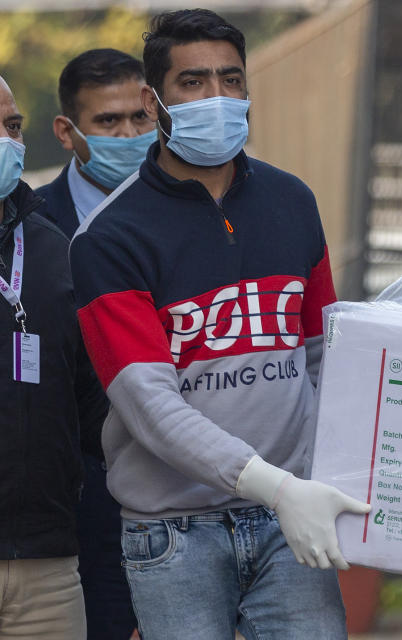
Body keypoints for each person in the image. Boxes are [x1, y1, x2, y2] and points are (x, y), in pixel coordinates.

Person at [68, 10, 369, 639]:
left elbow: (324, 356)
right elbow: (150, 407)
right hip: (175, 534)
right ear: (155, 101)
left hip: (291, 525)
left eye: (231, 80)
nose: (218, 98)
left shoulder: (293, 203)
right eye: (194, 82)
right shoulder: (110, 239)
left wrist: (314, 483)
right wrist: (279, 487)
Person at [36, 48, 152, 640]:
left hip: (181, 487)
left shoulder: (191, 214)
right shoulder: (32, 227)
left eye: (141, 118)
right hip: (73, 503)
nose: (129, 135)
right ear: (68, 130)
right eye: (108, 122)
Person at [0, 75, 108, 639]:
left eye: (12, 126)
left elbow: (93, 410)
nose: (7, 141)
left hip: (48, 568)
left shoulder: (52, 248)